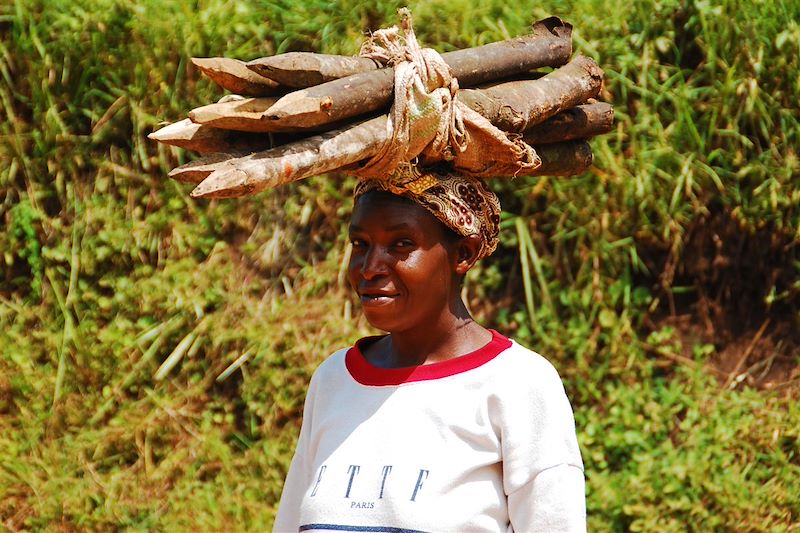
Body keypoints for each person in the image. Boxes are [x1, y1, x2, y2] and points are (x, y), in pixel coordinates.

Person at [273, 169, 586, 533]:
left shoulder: (517, 384)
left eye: (401, 244)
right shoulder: (334, 380)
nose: (370, 268)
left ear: (463, 254)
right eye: (360, 244)